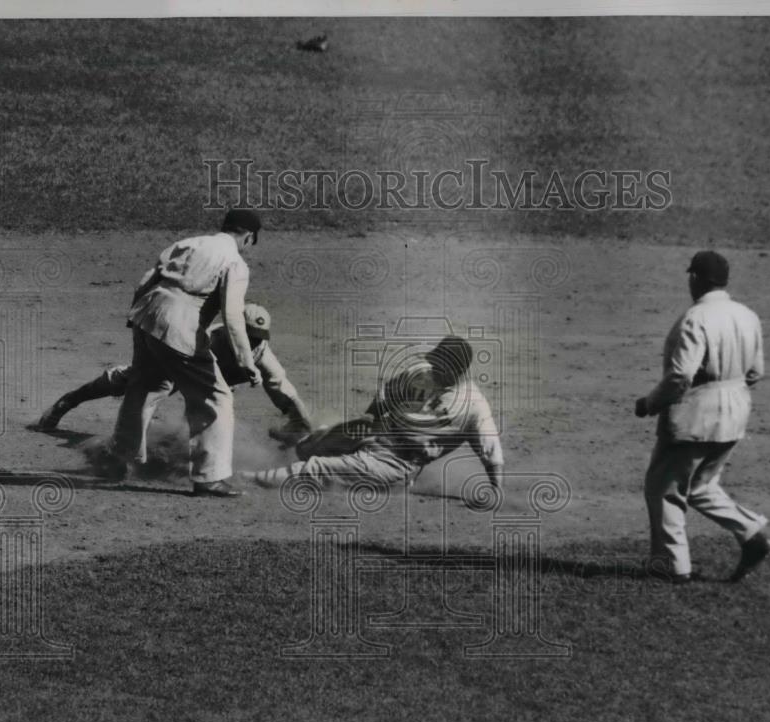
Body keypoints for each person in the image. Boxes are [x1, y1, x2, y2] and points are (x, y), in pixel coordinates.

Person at [96, 208, 263, 497]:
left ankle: (118, 458)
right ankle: (209, 477)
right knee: (215, 397)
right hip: (180, 323)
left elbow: (149, 277)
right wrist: (246, 360)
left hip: (147, 313)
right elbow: (233, 316)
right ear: (248, 237)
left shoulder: (189, 243)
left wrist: (135, 315)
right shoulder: (235, 263)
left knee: (144, 385)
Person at [634, 250, 770, 583]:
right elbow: (756, 371)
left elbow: (680, 376)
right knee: (700, 486)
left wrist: (650, 403)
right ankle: (752, 533)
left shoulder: (695, 318)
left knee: (663, 488)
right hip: (736, 412)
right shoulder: (747, 315)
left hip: (695, 416)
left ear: (695, 278)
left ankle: (672, 566)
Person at [33, 303, 312, 461]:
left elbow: (281, 388)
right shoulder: (207, 340)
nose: (252, 343)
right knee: (128, 381)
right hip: (180, 359)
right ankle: (68, 401)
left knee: (210, 411)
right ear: (231, 329)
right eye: (247, 336)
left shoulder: (261, 354)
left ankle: (177, 453)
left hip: (212, 383)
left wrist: (299, 424)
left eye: (258, 338)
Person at [246, 335, 504, 505]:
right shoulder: (421, 373)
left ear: (458, 370)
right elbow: (386, 396)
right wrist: (364, 421)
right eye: (434, 362)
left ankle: (252, 478)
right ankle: (303, 438)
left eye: (440, 366)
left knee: (318, 467)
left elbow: (491, 453)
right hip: (377, 433)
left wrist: (495, 490)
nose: (433, 368)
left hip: (396, 462)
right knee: (312, 445)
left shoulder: (474, 406)